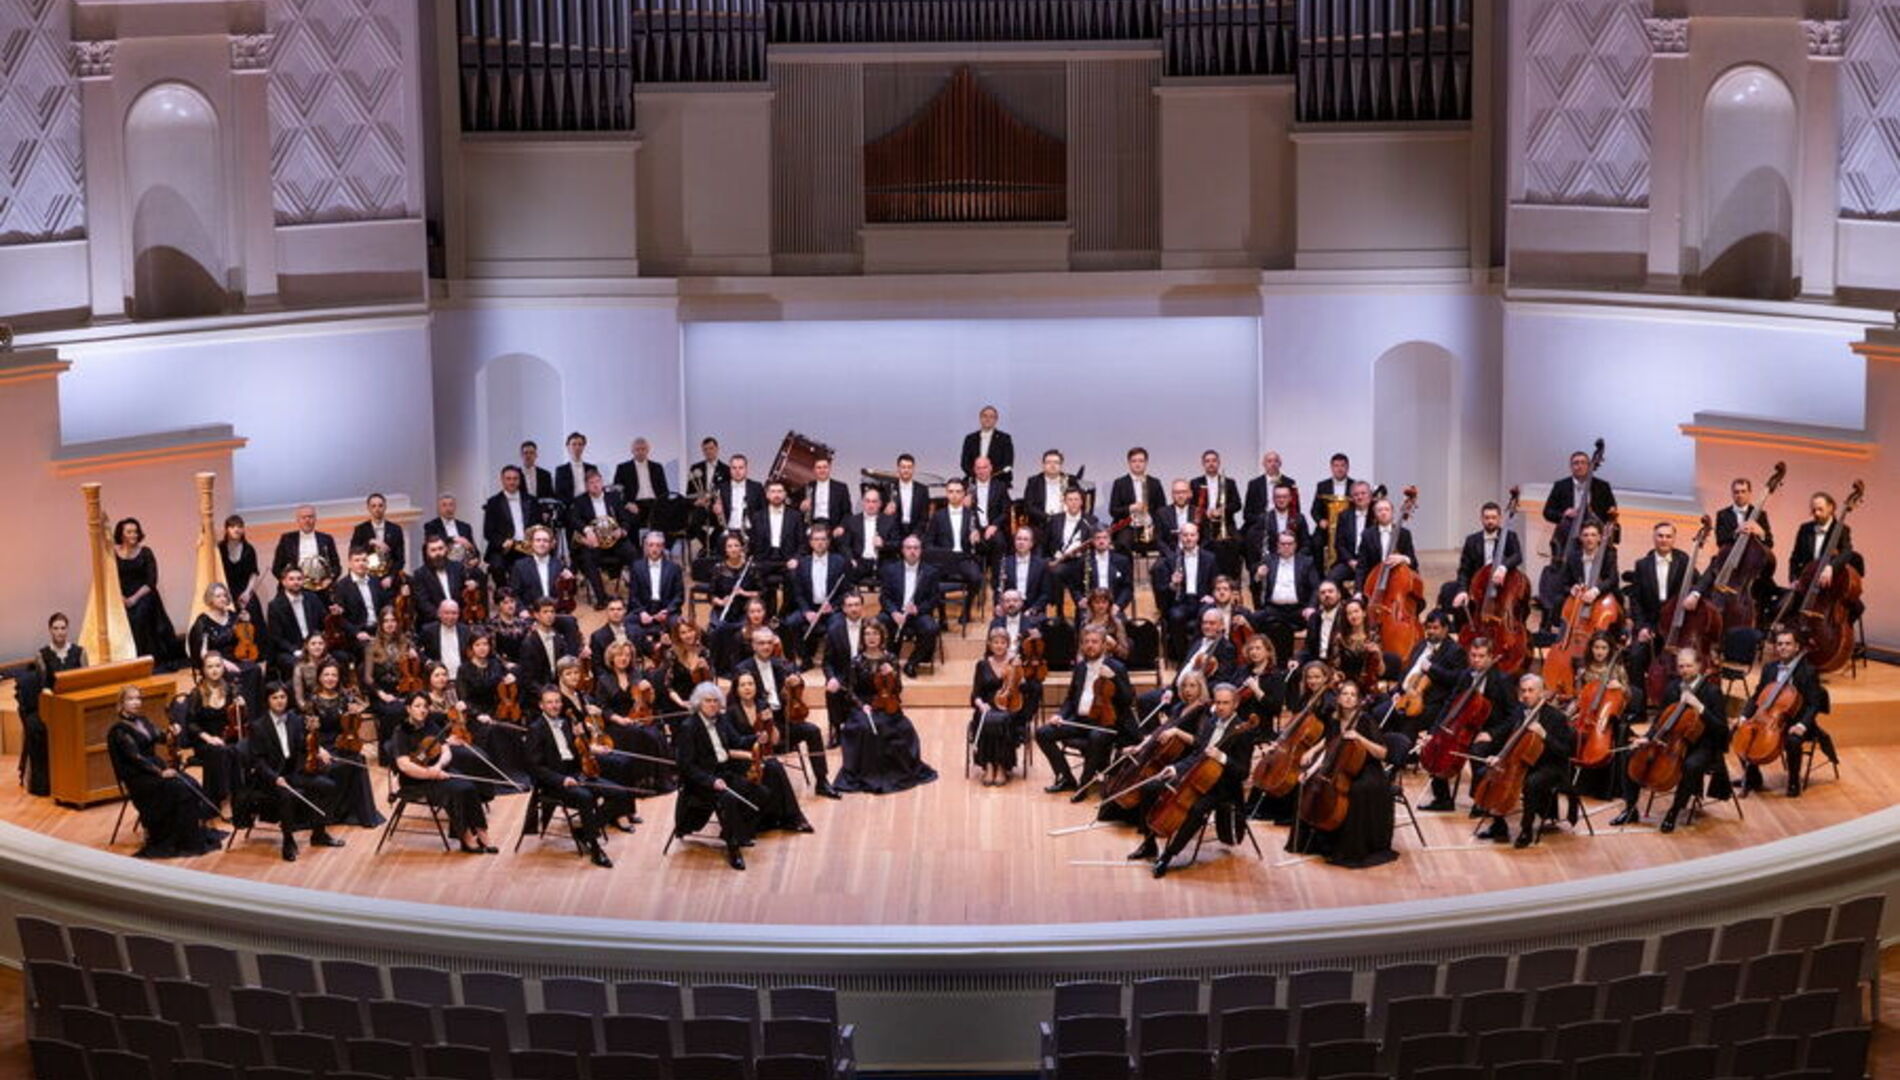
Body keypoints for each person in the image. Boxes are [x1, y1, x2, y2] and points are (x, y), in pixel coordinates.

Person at [675, 682, 812, 871]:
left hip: (724, 772)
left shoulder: (720, 720)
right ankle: (734, 848)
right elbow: (686, 766)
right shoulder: (689, 727)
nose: (712, 705)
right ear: (699, 703)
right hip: (702, 782)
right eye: (708, 701)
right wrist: (711, 781)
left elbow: (737, 741)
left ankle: (738, 830)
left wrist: (757, 737)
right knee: (729, 799)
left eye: (715, 701)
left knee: (762, 794)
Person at [1136, 683, 1262, 878]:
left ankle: (1168, 856)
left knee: (1196, 809)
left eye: (1225, 703)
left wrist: (1222, 758)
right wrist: (1175, 768)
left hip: (1223, 786)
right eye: (1218, 702)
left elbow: (1243, 772)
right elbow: (1197, 755)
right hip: (1196, 777)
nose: (1220, 707)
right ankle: (1149, 844)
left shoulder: (1243, 731)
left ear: (1235, 704)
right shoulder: (1211, 722)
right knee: (1149, 787)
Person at [1612, 648, 1730, 832]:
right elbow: (1661, 719)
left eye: (1689, 666)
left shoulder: (1712, 691)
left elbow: (1722, 730)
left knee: (1691, 766)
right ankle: (1630, 808)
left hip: (1704, 745)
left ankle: (1674, 811)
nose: (1684, 670)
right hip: (1672, 742)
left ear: (1699, 666)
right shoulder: (1673, 687)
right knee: (1631, 753)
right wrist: (1647, 737)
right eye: (1681, 666)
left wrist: (1700, 707)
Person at [1284, 679, 1397, 868]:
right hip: (1339, 767)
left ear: (1358, 700)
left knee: (1355, 792)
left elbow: (1383, 753)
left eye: (1353, 695)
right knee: (1309, 784)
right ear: (1338, 698)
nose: (1349, 698)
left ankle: (1349, 848)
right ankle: (1316, 841)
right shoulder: (1334, 720)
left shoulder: (1365, 720)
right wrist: (1310, 771)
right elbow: (1329, 749)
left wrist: (1359, 737)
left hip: (1368, 770)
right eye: (1345, 694)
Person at [107, 686, 224, 858]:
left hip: (155, 767)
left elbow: (161, 737)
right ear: (121, 703)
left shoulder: (143, 721)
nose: (136, 702)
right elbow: (136, 758)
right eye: (130, 699)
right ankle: (176, 838)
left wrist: (172, 732)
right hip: (140, 776)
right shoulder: (119, 731)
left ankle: (189, 835)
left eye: (138, 698)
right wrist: (160, 773)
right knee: (180, 788)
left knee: (190, 783)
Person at [1470, 674, 1575, 849]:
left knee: (1531, 783)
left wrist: (1544, 735)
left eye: (1531, 691)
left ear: (1541, 693)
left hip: (1550, 765)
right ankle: (1498, 825)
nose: (1526, 695)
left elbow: (1565, 751)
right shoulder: (1520, 712)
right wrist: (1499, 757)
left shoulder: (1556, 717)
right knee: (1487, 773)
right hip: (1522, 761)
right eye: (1523, 691)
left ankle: (1526, 830)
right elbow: (1509, 739)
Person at [244, 683, 346, 861]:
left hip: (292, 773)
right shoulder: (258, 726)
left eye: (283, 697)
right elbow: (257, 761)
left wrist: (319, 749)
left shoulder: (294, 719)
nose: (279, 701)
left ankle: (319, 833)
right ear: (267, 701)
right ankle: (288, 840)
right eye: (275, 698)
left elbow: (304, 742)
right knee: (286, 796)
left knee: (327, 786)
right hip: (270, 778)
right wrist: (275, 778)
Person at [731, 627, 838, 798]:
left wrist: (797, 681)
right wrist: (763, 709)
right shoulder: (742, 668)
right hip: (758, 725)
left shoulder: (780, 664)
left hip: (782, 721)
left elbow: (795, 684)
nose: (766, 647)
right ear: (753, 646)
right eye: (761, 643)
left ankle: (822, 781)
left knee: (813, 731)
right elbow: (738, 700)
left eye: (769, 643)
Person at [833, 622, 938, 794]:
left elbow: (898, 689)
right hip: (864, 704)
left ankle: (895, 770)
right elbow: (851, 691)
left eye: (875, 633)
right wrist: (862, 706)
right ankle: (870, 773)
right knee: (866, 727)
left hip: (887, 702)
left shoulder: (891, 659)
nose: (871, 638)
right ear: (862, 638)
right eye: (867, 634)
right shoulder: (856, 661)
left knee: (902, 727)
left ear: (882, 637)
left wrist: (892, 674)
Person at [390, 691, 498, 853]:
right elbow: (404, 765)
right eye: (417, 706)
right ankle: (466, 836)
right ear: (408, 709)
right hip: (416, 780)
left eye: (425, 706)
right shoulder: (401, 732)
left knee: (470, 787)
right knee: (457, 790)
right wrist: (430, 773)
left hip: (438, 770)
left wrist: (439, 766)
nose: (422, 710)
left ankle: (482, 832)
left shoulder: (431, 726)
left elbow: (446, 751)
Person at [527, 687, 623, 868]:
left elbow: (576, 750)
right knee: (585, 797)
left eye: (557, 701)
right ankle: (595, 849)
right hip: (554, 782)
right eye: (549, 702)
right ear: (541, 705)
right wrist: (562, 780)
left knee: (619, 793)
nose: (554, 705)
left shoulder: (565, 723)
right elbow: (535, 767)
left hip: (576, 774)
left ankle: (584, 831)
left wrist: (588, 746)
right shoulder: (535, 729)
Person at [1415, 637, 1513, 813]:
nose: (1476, 660)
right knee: (1437, 744)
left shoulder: (1502, 680)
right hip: (1465, 728)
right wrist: (1434, 731)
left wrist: (1492, 734)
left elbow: (1514, 715)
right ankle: (1442, 799)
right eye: (1473, 655)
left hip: (1489, 731)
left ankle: (1479, 800)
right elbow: (1450, 703)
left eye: (1481, 656)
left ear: (1490, 657)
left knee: (1477, 750)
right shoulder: (1466, 675)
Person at [1035, 627, 1135, 798]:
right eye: (1086, 642)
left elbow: (1128, 700)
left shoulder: (1117, 667)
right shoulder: (1080, 667)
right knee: (1042, 733)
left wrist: (1114, 678)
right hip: (1079, 720)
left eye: (1095, 642)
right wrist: (1060, 715)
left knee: (1096, 737)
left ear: (1104, 645)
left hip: (1105, 722)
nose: (1090, 645)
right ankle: (1066, 778)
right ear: (1081, 645)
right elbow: (1070, 698)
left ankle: (1084, 783)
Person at [1736, 627, 1835, 798]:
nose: (1783, 647)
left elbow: (1814, 704)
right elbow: (1757, 695)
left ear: (1797, 647)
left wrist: (1802, 725)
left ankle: (1794, 781)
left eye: (1788, 644)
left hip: (1797, 721)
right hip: (1769, 719)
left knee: (1792, 741)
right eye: (1780, 644)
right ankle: (1753, 778)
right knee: (1740, 732)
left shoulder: (1808, 671)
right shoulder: (1769, 668)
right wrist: (1744, 715)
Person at [304, 662, 384, 826]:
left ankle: (358, 813)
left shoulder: (345, 698)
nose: (330, 678)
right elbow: (308, 732)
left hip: (341, 743)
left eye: (334, 675)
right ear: (319, 677)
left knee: (358, 759)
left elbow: (352, 726)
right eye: (326, 675)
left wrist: (354, 715)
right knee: (335, 766)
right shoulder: (312, 701)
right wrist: (319, 749)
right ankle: (332, 813)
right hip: (320, 745)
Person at [112, 517, 185, 669]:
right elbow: (111, 580)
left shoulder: (146, 552)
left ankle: (147, 660)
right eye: (129, 532)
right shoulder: (113, 554)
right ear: (121, 534)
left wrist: (134, 598)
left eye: (135, 532)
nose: (133, 535)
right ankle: (129, 661)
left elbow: (151, 581)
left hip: (144, 594)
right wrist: (121, 597)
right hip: (122, 596)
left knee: (139, 616)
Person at [179, 652, 248, 807]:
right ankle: (224, 798)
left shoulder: (231, 690)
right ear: (204, 670)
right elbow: (191, 725)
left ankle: (241, 798)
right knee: (222, 751)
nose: (214, 670)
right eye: (210, 667)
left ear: (223, 668)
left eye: (218, 666)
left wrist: (243, 707)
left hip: (227, 737)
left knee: (239, 748)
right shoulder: (196, 694)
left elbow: (240, 719)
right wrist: (209, 738)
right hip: (205, 741)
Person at [1440, 501, 1522, 626]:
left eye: (1493, 517)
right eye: (1487, 518)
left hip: (1502, 586)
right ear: (1481, 519)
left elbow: (1517, 556)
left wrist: (1503, 567)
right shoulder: (1472, 540)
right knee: (1453, 594)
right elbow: (1464, 570)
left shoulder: (1510, 536)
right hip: (1478, 587)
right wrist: (1463, 590)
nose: (1490, 521)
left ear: (1499, 518)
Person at [970, 627, 1034, 786]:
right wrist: (981, 705)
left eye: (1003, 642)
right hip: (987, 707)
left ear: (1008, 644)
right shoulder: (982, 665)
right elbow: (976, 694)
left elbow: (1026, 690)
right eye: (996, 642)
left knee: (1002, 720)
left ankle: (1001, 766)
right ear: (989, 644)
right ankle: (988, 765)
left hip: (1010, 707)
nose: (999, 645)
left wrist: (1019, 674)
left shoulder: (1014, 663)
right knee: (988, 719)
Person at [568, 468, 638, 608]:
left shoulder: (614, 497)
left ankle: (636, 596)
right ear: (586, 486)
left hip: (615, 541)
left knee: (632, 553)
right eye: (591, 483)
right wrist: (587, 530)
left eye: (598, 481)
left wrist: (622, 530)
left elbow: (625, 519)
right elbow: (574, 519)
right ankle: (601, 598)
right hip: (594, 543)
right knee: (587, 558)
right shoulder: (580, 501)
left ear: (602, 482)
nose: (595, 485)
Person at [878, 535, 941, 677]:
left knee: (931, 628)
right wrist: (893, 612)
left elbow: (934, 599)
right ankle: (889, 660)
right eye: (909, 548)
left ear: (921, 550)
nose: (912, 551)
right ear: (902, 550)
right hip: (896, 612)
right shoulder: (890, 570)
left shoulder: (931, 572)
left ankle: (912, 663)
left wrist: (918, 609)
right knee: (879, 622)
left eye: (916, 548)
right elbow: (884, 597)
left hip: (917, 614)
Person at [1253, 529, 1318, 662]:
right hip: (1274, 609)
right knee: (1254, 618)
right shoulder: (1268, 560)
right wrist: (1258, 576)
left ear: (1295, 545)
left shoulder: (1306, 562)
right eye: (1283, 544)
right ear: (1278, 545)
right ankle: (1262, 657)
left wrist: (1311, 606)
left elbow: (1316, 587)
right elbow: (1255, 585)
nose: (1286, 547)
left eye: (1290, 544)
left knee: (1315, 619)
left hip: (1298, 609)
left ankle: (1308, 658)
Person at [269, 504, 342, 591]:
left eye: (310, 517)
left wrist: (329, 580)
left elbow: (336, 566)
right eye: (303, 517)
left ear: (315, 519)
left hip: (321, 588)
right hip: (294, 589)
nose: (307, 520)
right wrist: (288, 582)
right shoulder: (286, 539)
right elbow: (276, 568)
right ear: (298, 520)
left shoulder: (327, 539)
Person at [218, 515, 267, 627]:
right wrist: (225, 594)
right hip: (226, 591)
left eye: (240, 526)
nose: (236, 529)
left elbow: (253, 573)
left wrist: (247, 592)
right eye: (232, 526)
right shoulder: (219, 548)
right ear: (226, 529)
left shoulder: (249, 549)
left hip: (245, 590)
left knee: (254, 617)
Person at [960, 405, 1015, 482]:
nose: (987, 419)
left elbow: (1008, 464)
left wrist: (988, 476)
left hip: (999, 480)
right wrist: (978, 476)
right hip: (974, 479)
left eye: (991, 417)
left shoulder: (1005, 439)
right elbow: (965, 463)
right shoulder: (970, 439)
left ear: (996, 420)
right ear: (980, 418)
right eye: (985, 416)